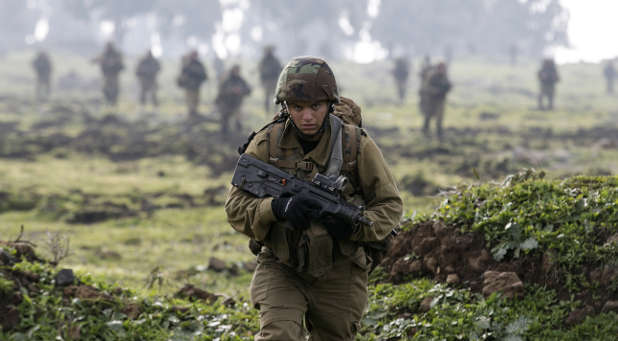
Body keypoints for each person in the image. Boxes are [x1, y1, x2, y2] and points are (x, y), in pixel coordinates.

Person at [225, 56, 403, 340]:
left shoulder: (355, 144)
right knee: (278, 336)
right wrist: (277, 207)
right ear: (285, 107)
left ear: (330, 104)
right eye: (297, 107)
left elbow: (390, 204)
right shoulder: (267, 143)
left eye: (315, 107)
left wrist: (356, 226)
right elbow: (235, 207)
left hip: (340, 266)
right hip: (281, 264)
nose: (307, 116)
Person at [419, 61, 452, 140]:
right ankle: (425, 130)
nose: (442, 70)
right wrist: (437, 91)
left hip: (440, 100)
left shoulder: (444, 77)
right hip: (431, 100)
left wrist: (445, 89)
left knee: (440, 117)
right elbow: (428, 88)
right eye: (441, 68)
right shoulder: (432, 77)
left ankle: (439, 133)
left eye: (443, 68)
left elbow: (448, 86)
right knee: (428, 115)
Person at [215, 64, 251, 134]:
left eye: (238, 71)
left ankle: (238, 135)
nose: (237, 72)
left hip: (237, 103)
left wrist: (241, 90)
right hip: (226, 103)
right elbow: (221, 90)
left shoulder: (241, 80)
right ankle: (224, 135)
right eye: (235, 70)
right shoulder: (226, 80)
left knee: (238, 120)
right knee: (225, 120)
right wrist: (231, 90)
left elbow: (248, 90)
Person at [177, 50, 207, 116]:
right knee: (190, 100)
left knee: (196, 100)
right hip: (189, 85)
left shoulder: (199, 64)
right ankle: (191, 113)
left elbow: (203, 74)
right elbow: (183, 73)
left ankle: (194, 112)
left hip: (196, 85)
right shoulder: (187, 64)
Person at [258, 45, 283, 114]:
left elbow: (280, 68)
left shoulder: (275, 60)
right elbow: (261, 70)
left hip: (274, 80)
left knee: (276, 96)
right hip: (267, 81)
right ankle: (267, 111)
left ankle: (275, 110)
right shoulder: (263, 60)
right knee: (267, 96)